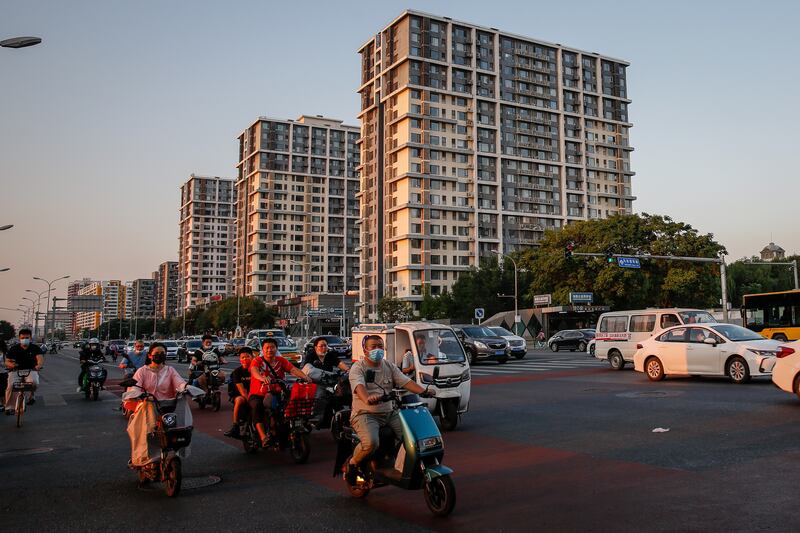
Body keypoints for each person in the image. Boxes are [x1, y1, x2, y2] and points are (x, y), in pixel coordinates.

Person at [345, 335, 433, 484]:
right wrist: (367, 398)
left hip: (389, 412)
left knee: (412, 437)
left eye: (380, 346)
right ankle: (353, 464)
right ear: (365, 350)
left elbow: (405, 381)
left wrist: (424, 391)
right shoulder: (358, 367)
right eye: (373, 347)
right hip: (365, 414)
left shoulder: (388, 366)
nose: (378, 349)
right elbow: (359, 386)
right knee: (371, 443)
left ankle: (399, 467)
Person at [127, 343, 189, 466]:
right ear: (150, 356)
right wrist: (138, 394)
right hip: (148, 406)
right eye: (157, 354)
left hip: (168, 406)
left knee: (180, 429)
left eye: (162, 353)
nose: (160, 356)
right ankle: (141, 458)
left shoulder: (170, 370)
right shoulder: (142, 371)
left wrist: (185, 388)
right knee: (139, 431)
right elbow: (135, 386)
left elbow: (179, 382)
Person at [249, 338, 309, 447]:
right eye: (267, 348)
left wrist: (305, 377)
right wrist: (262, 378)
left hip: (276, 392)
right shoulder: (257, 361)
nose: (269, 350)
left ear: (276, 348)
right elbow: (254, 371)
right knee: (257, 407)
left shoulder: (281, 361)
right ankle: (263, 437)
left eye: (272, 347)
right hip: (258, 394)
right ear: (262, 349)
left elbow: (293, 369)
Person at [4, 328, 44, 413]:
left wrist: (38, 366)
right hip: (15, 371)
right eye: (22, 338)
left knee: (34, 382)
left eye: (27, 338)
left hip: (31, 370)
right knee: (10, 386)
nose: (24, 339)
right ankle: (9, 407)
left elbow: (40, 359)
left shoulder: (35, 348)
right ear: (19, 338)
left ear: (30, 338)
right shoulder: (13, 349)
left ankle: (31, 395)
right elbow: (7, 361)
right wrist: (11, 365)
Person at [224, 347, 253, 437]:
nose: (245, 359)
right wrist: (249, 400)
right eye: (242, 357)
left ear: (252, 357)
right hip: (240, 395)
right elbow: (242, 390)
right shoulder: (237, 372)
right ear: (240, 359)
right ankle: (235, 426)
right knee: (240, 400)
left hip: (255, 394)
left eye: (247, 357)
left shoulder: (256, 369)